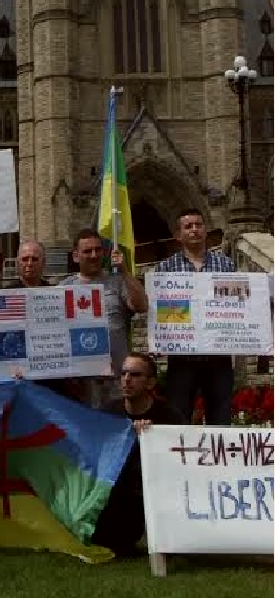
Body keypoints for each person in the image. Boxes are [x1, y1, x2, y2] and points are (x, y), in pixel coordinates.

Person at [90, 353, 184, 557]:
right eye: (123, 373)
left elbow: (179, 463)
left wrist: (151, 438)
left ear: (150, 382)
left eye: (135, 374)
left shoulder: (169, 416)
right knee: (107, 543)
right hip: (116, 489)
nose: (126, 380)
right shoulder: (108, 413)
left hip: (155, 490)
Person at [153, 209, 237, 426]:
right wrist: (159, 337)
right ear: (178, 235)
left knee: (221, 417)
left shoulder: (226, 265)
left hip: (218, 355)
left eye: (198, 225)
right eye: (188, 226)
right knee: (178, 416)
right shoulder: (165, 268)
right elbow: (160, 310)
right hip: (183, 358)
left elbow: (237, 306)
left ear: (205, 230)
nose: (194, 230)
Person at [58, 228, 147, 412]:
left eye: (98, 250)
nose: (94, 255)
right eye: (87, 251)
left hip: (116, 379)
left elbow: (141, 306)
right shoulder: (63, 288)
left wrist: (124, 271)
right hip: (80, 381)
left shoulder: (118, 281)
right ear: (75, 256)